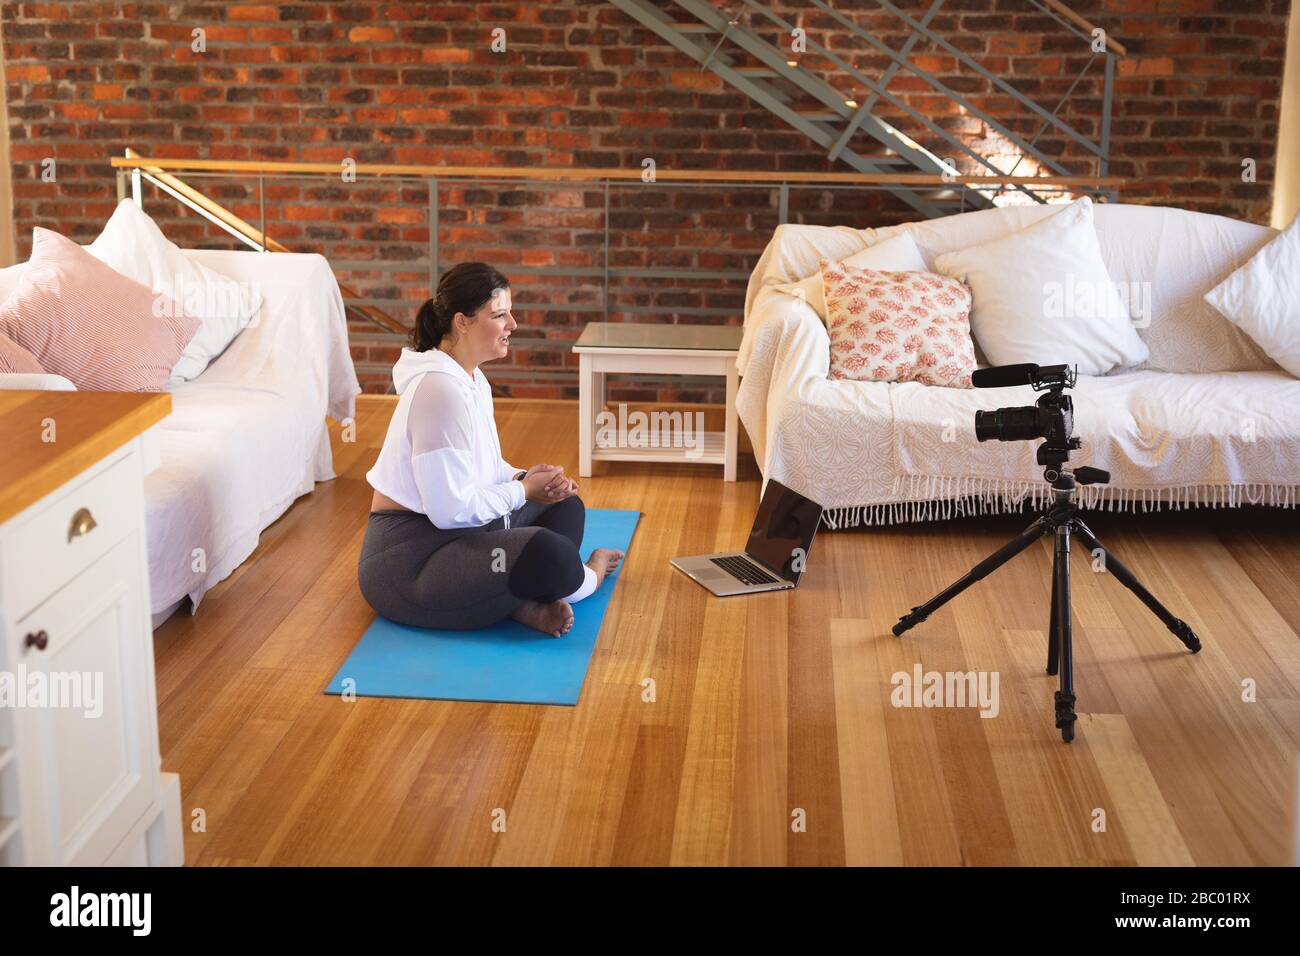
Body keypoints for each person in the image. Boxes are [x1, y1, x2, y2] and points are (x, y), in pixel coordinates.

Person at [359, 262, 623, 637]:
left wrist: (526, 479)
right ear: (462, 321)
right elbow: (450, 511)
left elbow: (482, 466)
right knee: (552, 554)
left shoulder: (470, 378)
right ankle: (581, 580)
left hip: (464, 540)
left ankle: (513, 602)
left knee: (563, 505)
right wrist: (523, 492)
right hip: (411, 565)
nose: (513, 324)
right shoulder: (439, 390)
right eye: (500, 315)